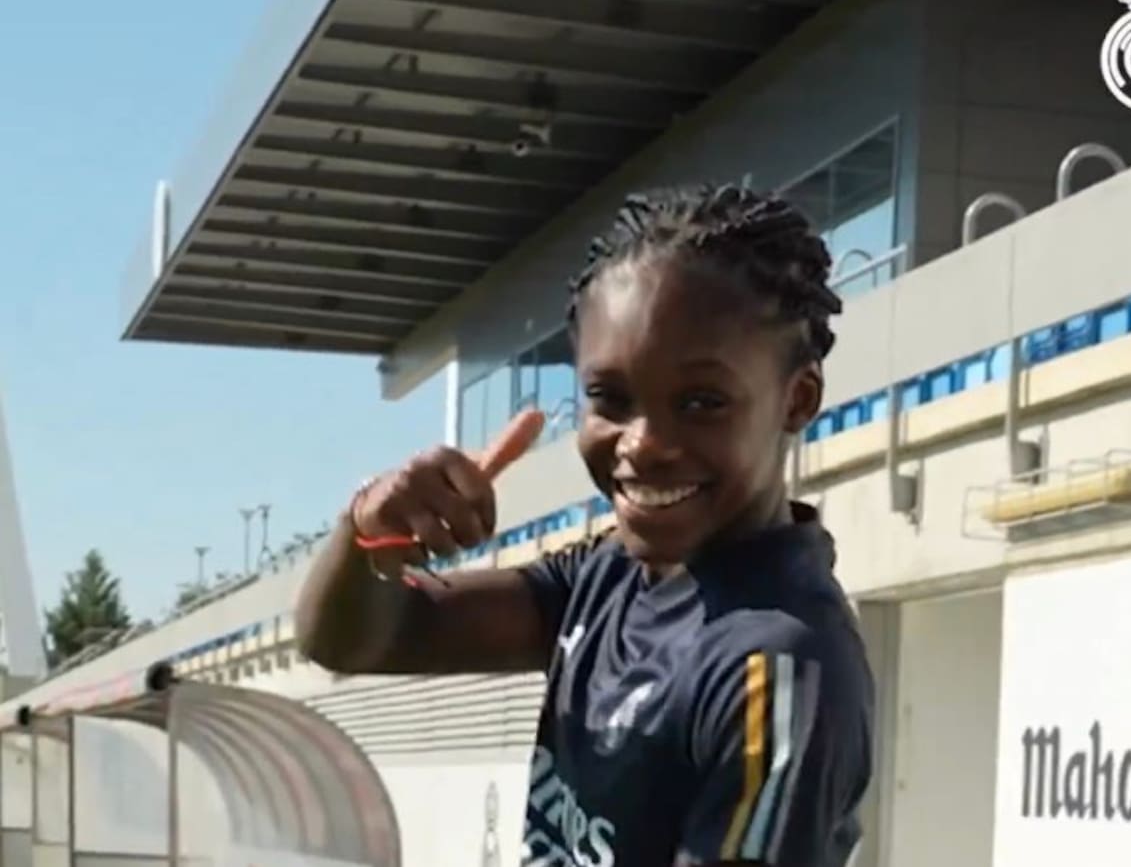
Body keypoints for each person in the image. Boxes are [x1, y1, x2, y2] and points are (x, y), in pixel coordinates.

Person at [295, 182, 875, 867]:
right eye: (610, 398)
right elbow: (356, 640)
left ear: (797, 399)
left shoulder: (778, 670)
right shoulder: (607, 574)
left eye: (700, 401)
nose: (643, 444)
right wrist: (369, 533)